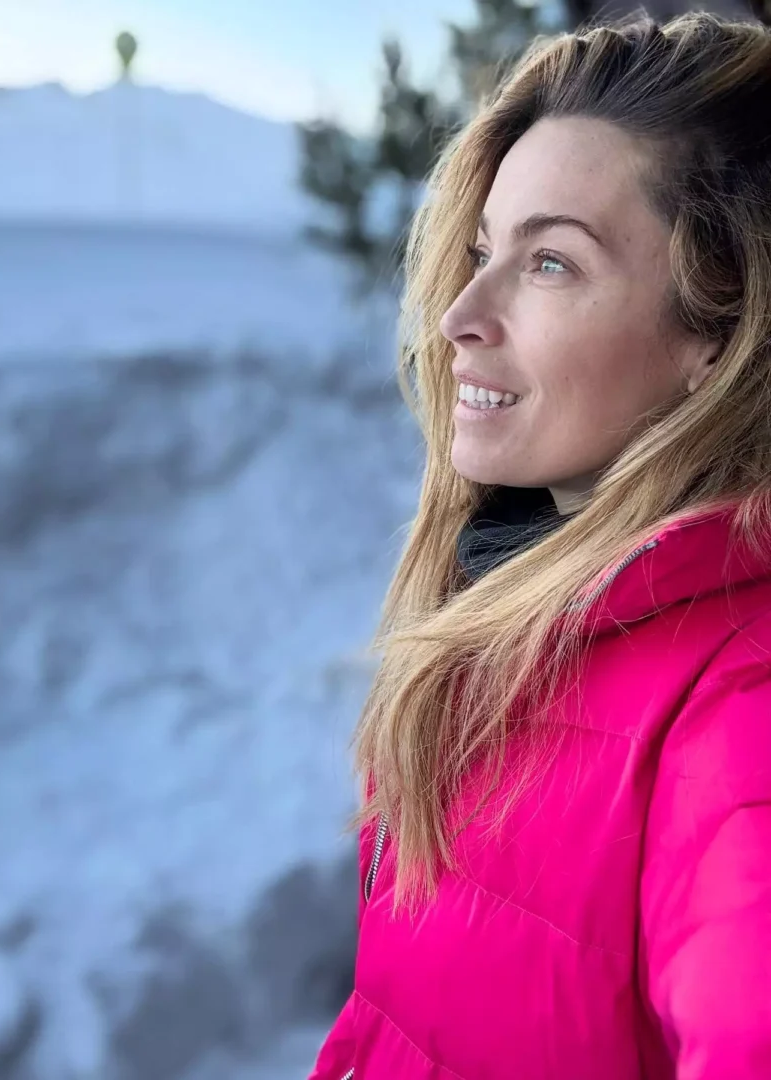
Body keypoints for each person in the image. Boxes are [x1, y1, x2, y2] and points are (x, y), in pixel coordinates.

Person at [308, 11, 771, 1080]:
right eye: (484, 253)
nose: (461, 315)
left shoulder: (740, 696)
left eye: (552, 262)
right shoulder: (524, 610)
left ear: (719, 327)